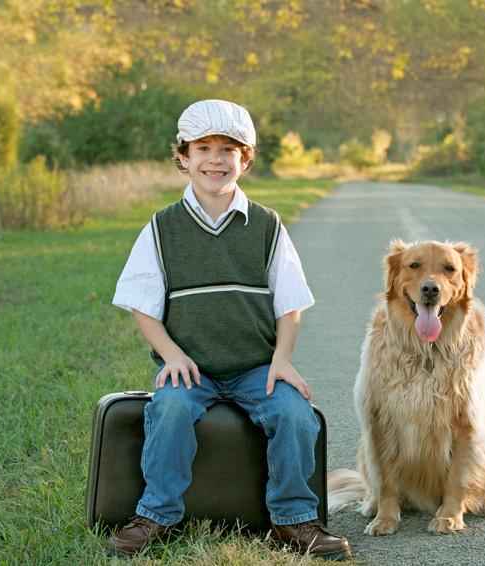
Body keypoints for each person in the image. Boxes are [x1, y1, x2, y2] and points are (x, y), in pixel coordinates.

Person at [108, 99, 351, 560]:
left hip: (255, 367)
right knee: (170, 411)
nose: (216, 160)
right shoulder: (162, 228)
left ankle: (294, 518)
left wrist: (281, 361)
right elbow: (141, 306)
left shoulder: (266, 226)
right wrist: (172, 356)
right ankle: (157, 513)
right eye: (203, 148)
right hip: (191, 369)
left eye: (228, 149)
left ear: (247, 159)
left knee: (296, 413)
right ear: (183, 156)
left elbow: (291, 304)